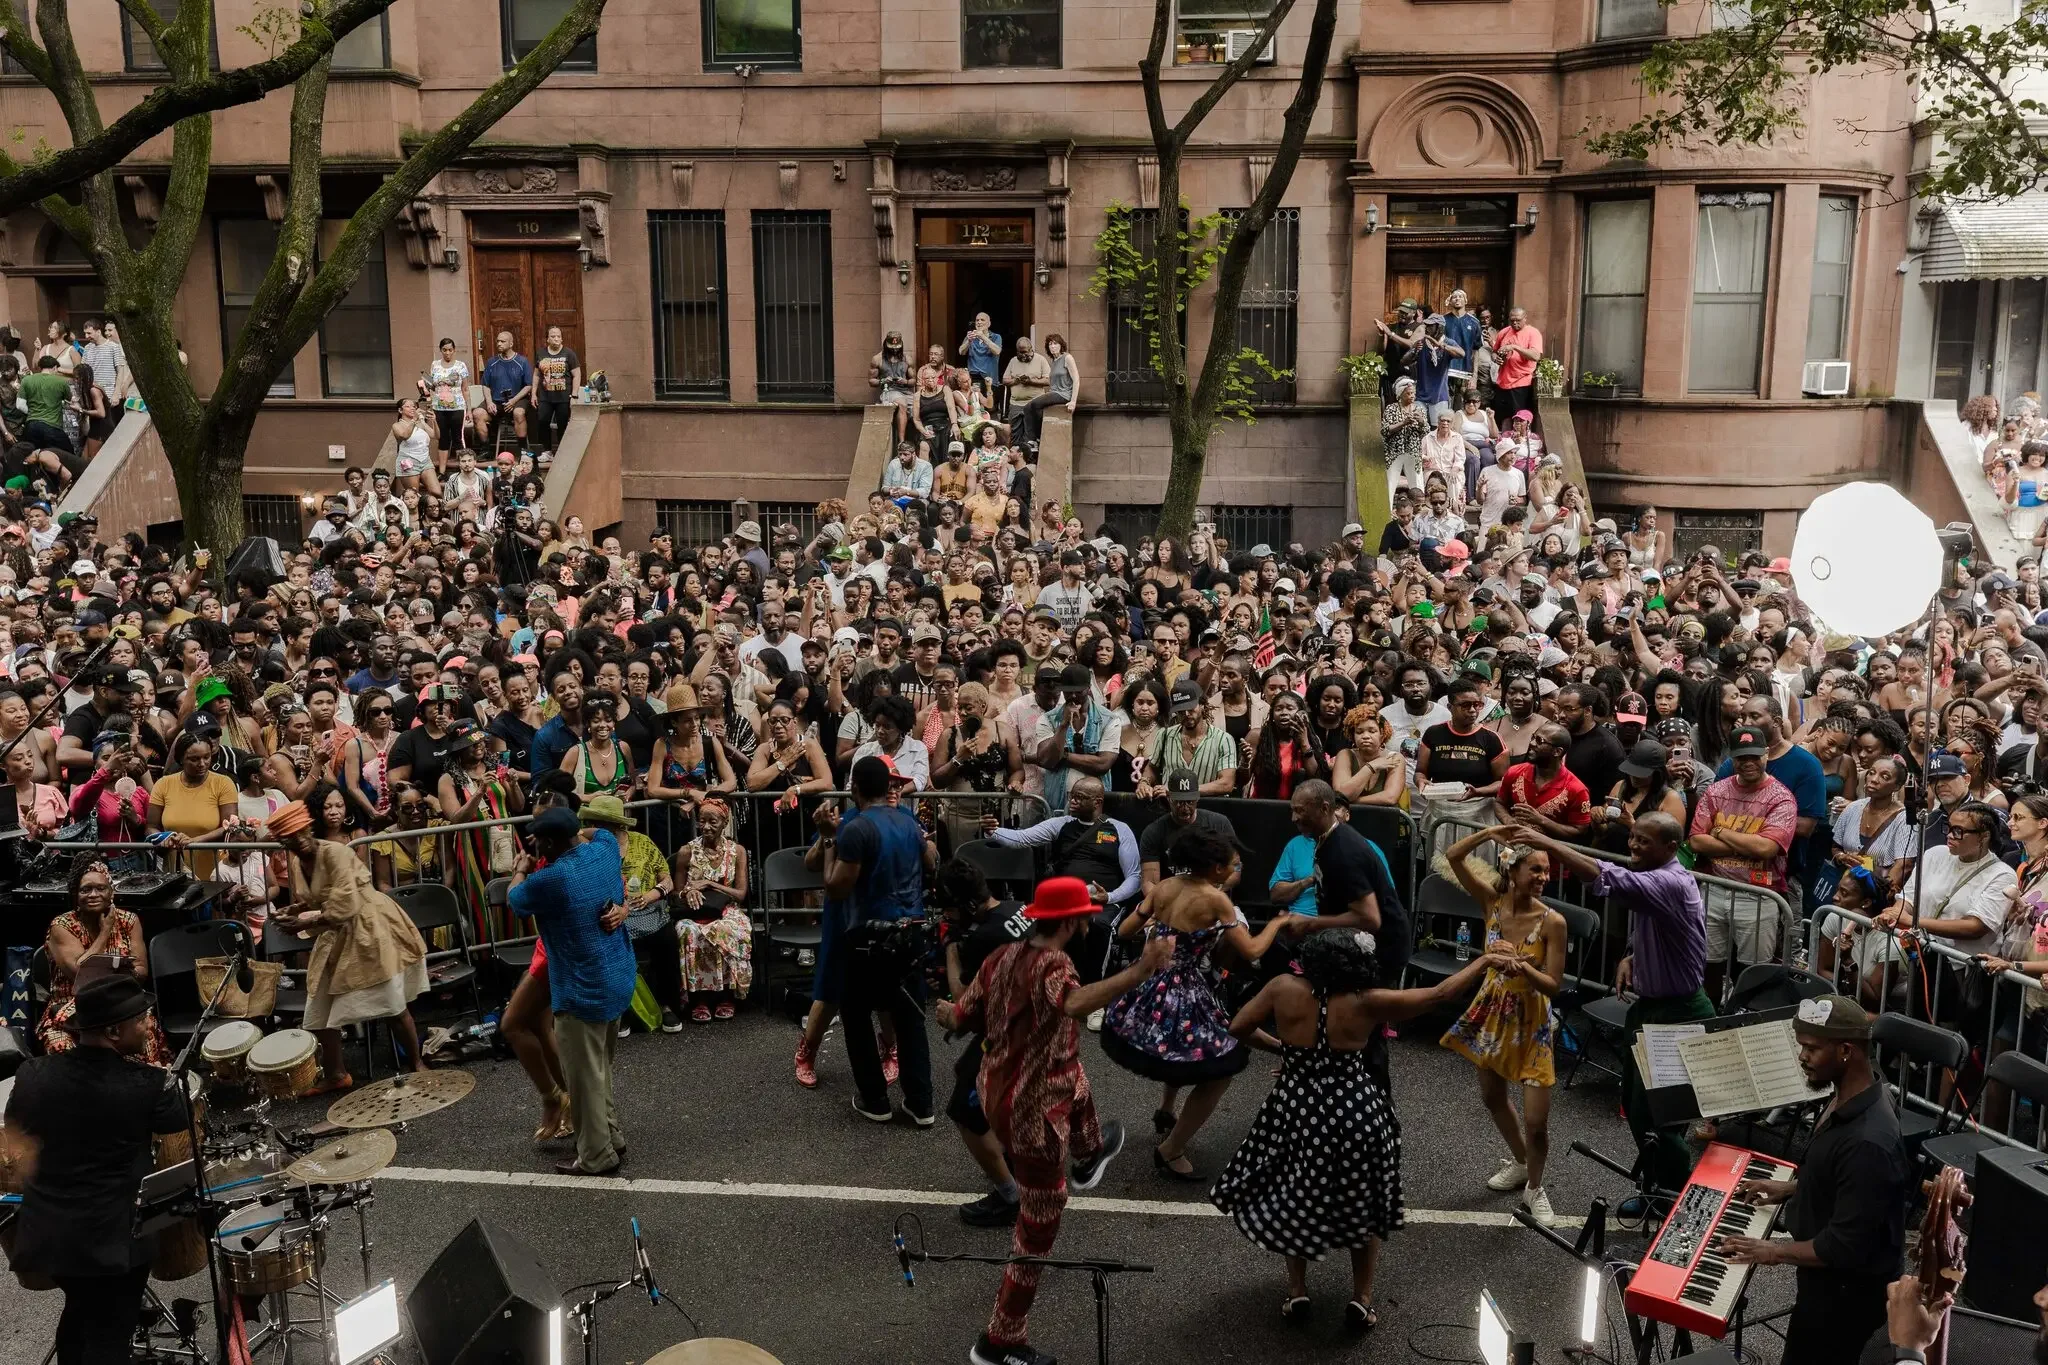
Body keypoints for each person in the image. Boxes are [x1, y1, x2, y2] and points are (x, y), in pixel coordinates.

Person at [936, 875, 1164, 1365]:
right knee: (1036, 1231)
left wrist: (947, 1007)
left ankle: (1087, 1155)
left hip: (1002, 1089)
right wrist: (1141, 969)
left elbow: (961, 1014)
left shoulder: (1001, 957)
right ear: (1071, 921)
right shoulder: (1054, 964)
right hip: (1031, 1114)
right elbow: (1075, 1004)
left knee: (1073, 1072)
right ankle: (1000, 1342)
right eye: (1085, 916)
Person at [1212, 928, 1490, 1328]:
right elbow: (1439, 994)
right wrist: (1484, 961)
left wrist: (1285, 1050)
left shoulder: (1281, 987)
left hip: (1296, 1106)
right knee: (1364, 1201)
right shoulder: (1367, 1001)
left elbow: (1238, 1026)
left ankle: (1297, 1291)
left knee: (1296, 1193)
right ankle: (1362, 1298)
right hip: (1355, 1111)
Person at [2, 974, 190, 1365]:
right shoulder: (145, 1084)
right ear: (114, 1031)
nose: (150, 1025)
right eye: (142, 1019)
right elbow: (176, 1118)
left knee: (79, 1313)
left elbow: (16, 1120)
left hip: (50, 1236)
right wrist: (160, 1074)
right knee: (109, 1336)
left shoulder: (33, 1073)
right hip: (112, 1243)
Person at [1518, 815, 1709, 1196]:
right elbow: (1657, 927)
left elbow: (1609, 877)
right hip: (1650, 1009)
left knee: (1663, 1118)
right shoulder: (1654, 876)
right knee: (1636, 1107)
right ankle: (1653, 1188)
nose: (1633, 846)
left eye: (1644, 842)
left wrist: (1548, 843)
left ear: (1671, 848)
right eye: (1633, 838)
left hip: (1680, 1013)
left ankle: (1672, 1197)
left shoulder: (1671, 881)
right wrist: (1631, 955)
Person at [1724, 995, 1909, 1365]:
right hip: (1826, 1283)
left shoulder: (1868, 1143)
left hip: (1844, 1299)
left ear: (1845, 1051)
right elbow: (1849, 1185)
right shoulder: (1849, 1093)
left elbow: (1842, 1246)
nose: (1802, 1057)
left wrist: (1771, 1251)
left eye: (1811, 1049)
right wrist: (1794, 1187)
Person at [1105, 826, 1295, 1179]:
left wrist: (1159, 926)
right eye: (1233, 865)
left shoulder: (1164, 887)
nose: (1235, 870)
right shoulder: (1216, 899)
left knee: (1180, 1051)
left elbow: (1126, 931)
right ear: (1215, 867)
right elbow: (1251, 950)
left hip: (1149, 985)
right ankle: (1171, 1149)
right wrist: (1278, 924)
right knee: (1221, 1067)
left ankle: (1166, 1109)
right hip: (1183, 989)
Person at [1437, 825, 1568, 1226]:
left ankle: (1535, 1188)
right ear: (1512, 871)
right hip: (1493, 1011)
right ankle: (1521, 1162)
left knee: (1537, 1122)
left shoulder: (1553, 922)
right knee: (1493, 1097)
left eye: (1546, 870)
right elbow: (1454, 856)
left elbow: (1553, 985)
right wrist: (1493, 832)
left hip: (1532, 1021)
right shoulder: (1491, 902)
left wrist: (1524, 967)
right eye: (1535, 869)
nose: (1543, 877)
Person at [267, 799, 431, 1092]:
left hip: (370, 925)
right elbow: (314, 899)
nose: (298, 841)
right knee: (319, 1007)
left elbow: (347, 904)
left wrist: (303, 923)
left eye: (301, 833)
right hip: (334, 930)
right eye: (290, 838)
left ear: (309, 829)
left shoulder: (336, 853)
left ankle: (416, 1063)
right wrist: (296, 910)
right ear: (283, 842)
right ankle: (336, 1075)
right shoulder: (297, 862)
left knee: (393, 1003)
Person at [508, 803, 636, 1175]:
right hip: (618, 975)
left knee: (583, 1077)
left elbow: (515, 899)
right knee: (599, 1069)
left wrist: (520, 869)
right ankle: (610, 1136)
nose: (535, 846)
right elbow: (603, 832)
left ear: (549, 843)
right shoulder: (604, 851)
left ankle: (597, 1156)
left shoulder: (553, 877)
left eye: (538, 841)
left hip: (583, 987)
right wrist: (577, 831)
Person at [813, 755, 938, 1124]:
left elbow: (836, 888)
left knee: (855, 1014)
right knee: (910, 1018)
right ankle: (921, 1104)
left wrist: (828, 840)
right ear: (888, 787)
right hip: (912, 930)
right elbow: (931, 862)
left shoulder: (857, 829)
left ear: (854, 788)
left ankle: (875, 1099)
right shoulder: (909, 822)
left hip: (869, 935)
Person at [1689, 724, 1799, 999]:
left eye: (1754, 756)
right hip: (1713, 888)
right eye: (1741, 757)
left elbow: (1766, 848)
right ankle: (1710, 1015)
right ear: (1732, 758)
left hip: (1758, 895)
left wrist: (1720, 832)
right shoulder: (1716, 791)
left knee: (1754, 971)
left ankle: (1746, 1017)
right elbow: (1697, 841)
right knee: (1708, 964)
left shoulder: (1781, 798)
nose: (1748, 762)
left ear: (1766, 754)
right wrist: (1746, 844)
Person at [675, 795, 752, 1021]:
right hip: (696, 911)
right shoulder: (687, 851)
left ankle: (726, 995)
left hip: (728, 909)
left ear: (724, 822)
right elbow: (675, 893)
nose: (706, 827)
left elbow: (741, 894)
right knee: (688, 931)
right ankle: (699, 998)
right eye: (702, 821)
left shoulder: (737, 851)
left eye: (713, 822)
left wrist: (709, 884)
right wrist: (688, 892)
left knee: (725, 929)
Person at [1488, 305, 1543, 426]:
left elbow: (1536, 356)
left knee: (1519, 420)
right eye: (1512, 320)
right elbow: (1494, 351)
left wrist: (1514, 347)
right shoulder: (1504, 332)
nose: (1514, 323)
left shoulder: (1533, 333)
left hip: (1521, 383)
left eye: (1518, 320)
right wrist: (1496, 358)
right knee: (1501, 419)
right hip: (1502, 382)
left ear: (1525, 318)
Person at [481, 330, 534, 451]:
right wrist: (489, 402)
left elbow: (528, 385)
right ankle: (486, 450)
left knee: (518, 413)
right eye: (498, 341)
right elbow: (485, 385)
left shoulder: (522, 361)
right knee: (478, 414)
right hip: (496, 402)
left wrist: (513, 401)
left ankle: (523, 450)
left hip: (517, 400)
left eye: (502, 341)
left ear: (511, 344)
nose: (499, 344)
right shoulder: (491, 362)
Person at [533, 325, 581, 455]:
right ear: (547, 339)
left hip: (564, 397)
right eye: (553, 336)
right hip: (545, 396)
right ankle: (546, 451)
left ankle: (562, 452)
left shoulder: (569, 353)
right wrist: (533, 394)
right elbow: (536, 375)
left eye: (558, 336)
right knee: (542, 421)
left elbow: (577, 375)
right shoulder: (541, 353)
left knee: (562, 423)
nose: (556, 339)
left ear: (562, 339)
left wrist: (574, 395)